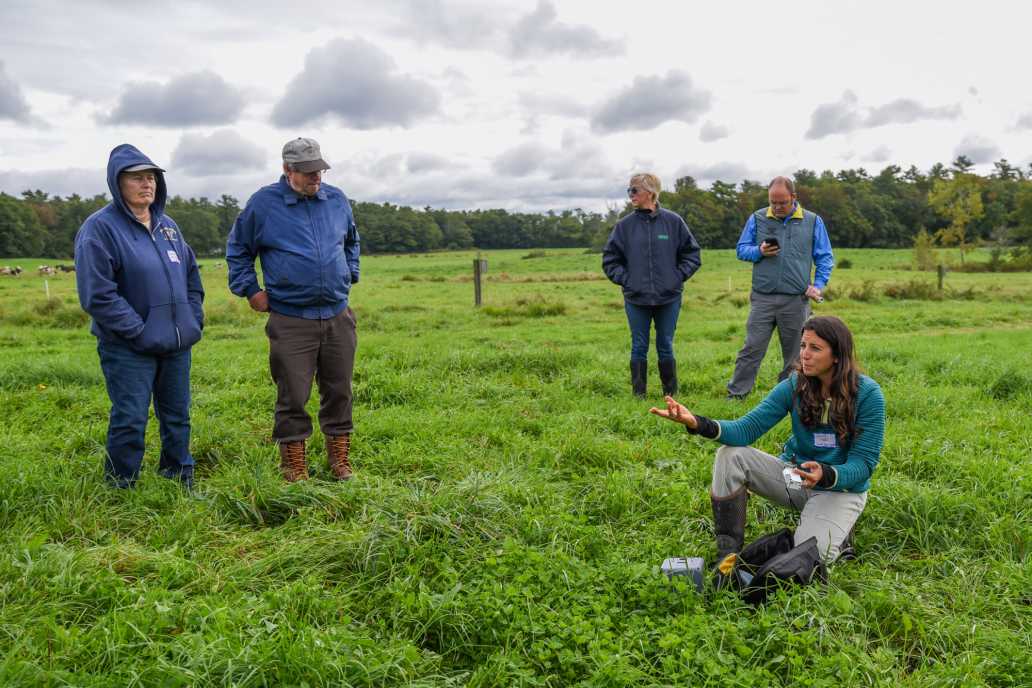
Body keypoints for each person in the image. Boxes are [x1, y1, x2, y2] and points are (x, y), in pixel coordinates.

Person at [651, 316, 884, 564]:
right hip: (798, 478)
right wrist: (697, 423)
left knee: (810, 559)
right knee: (731, 455)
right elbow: (746, 429)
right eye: (803, 345)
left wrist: (827, 474)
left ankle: (839, 533)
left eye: (815, 348)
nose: (805, 354)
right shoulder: (795, 384)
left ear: (837, 355)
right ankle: (727, 554)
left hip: (840, 490)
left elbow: (864, 464)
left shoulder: (868, 395)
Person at [227, 137, 360, 482]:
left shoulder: (337, 200)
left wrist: (350, 274)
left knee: (339, 389)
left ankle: (339, 462)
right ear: (288, 170)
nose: (316, 177)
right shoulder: (263, 204)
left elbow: (351, 241)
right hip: (291, 318)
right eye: (307, 172)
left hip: (337, 315)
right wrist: (251, 291)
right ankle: (294, 467)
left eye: (319, 170)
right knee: (293, 394)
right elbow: (239, 249)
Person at [74, 144, 205, 489]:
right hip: (128, 346)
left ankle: (179, 478)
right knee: (130, 419)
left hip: (176, 344)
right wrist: (139, 331)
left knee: (177, 417)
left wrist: (193, 319)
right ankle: (121, 486)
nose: (146, 184)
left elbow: (192, 277)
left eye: (151, 178)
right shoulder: (99, 229)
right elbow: (97, 295)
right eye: (136, 178)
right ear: (117, 183)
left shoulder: (168, 227)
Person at [726, 176, 834, 400]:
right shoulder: (757, 218)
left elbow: (825, 257)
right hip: (762, 298)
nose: (776, 207)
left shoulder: (813, 221)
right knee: (751, 348)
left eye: (782, 203)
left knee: (796, 355)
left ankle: (789, 398)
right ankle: (736, 395)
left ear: (793, 198)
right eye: (772, 202)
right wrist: (759, 251)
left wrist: (818, 285)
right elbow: (741, 249)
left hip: (796, 300)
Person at [602, 173, 701, 398]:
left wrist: (676, 277)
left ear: (650, 192)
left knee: (665, 344)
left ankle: (671, 395)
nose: (630, 195)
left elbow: (692, 255)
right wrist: (627, 280)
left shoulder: (674, 222)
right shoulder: (624, 226)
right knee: (639, 345)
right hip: (636, 298)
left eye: (634, 190)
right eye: (629, 190)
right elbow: (609, 259)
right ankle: (639, 396)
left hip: (669, 297)